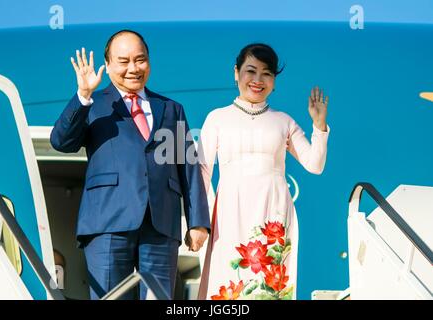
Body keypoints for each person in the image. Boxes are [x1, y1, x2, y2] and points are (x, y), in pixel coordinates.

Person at [50, 30, 210, 300]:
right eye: (123, 61)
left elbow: (188, 167)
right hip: (108, 224)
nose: (133, 68)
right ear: (108, 64)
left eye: (140, 60)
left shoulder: (171, 109)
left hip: (161, 224)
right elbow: (61, 141)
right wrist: (83, 95)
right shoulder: (94, 104)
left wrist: (198, 223)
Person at [197, 43, 330, 300]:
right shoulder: (217, 118)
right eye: (251, 71)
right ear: (236, 73)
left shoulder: (284, 121)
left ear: (274, 81)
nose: (258, 80)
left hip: (274, 213)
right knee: (228, 284)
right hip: (229, 213)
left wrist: (319, 125)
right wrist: (200, 222)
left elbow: (315, 165)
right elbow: (202, 172)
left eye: (267, 73)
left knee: (269, 288)